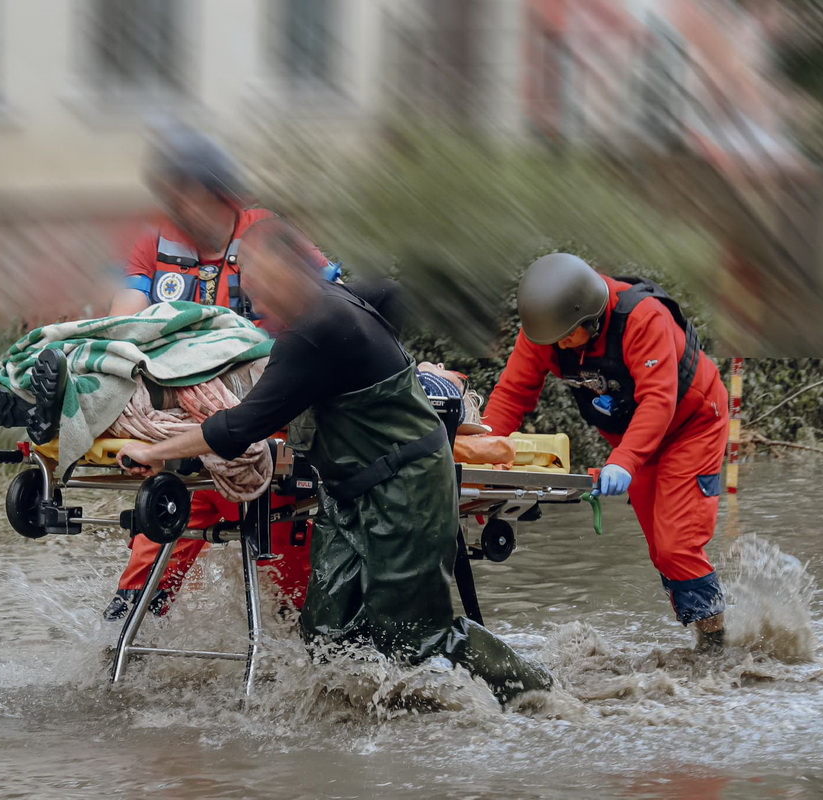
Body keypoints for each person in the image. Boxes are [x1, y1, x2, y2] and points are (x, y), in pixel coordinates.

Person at [116, 218, 554, 705]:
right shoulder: (340, 307)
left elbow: (241, 428)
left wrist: (152, 451)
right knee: (325, 631)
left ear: (288, 275)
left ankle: (537, 694)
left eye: (257, 289)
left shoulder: (315, 330)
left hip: (407, 490)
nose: (252, 303)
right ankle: (365, 720)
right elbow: (391, 293)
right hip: (347, 496)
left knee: (414, 637)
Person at [104, 125, 335, 620]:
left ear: (213, 187)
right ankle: (119, 656)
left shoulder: (269, 234)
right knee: (139, 592)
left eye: (182, 188)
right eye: (169, 190)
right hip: (185, 443)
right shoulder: (153, 242)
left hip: (266, 431)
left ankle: (315, 665)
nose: (176, 202)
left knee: (301, 602)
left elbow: (335, 307)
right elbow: (124, 328)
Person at [481, 253, 730, 651]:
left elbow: (658, 401)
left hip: (691, 425)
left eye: (566, 337)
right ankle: (703, 630)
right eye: (552, 339)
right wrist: (481, 456)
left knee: (676, 546)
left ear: (590, 318)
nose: (558, 346)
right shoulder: (548, 328)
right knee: (660, 552)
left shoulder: (643, 319)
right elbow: (512, 395)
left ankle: (716, 649)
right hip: (634, 438)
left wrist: (624, 462)